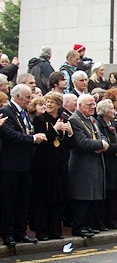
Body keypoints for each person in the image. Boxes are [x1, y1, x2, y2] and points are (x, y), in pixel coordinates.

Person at [0, 84, 42, 253]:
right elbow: (10, 135)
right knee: (8, 201)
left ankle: (20, 231)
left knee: (22, 200)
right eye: (27, 97)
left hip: (25, 164)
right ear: (17, 96)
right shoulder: (6, 111)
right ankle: (8, 233)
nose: (29, 100)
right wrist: (32, 139)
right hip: (10, 165)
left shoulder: (22, 113)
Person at [30, 91, 72, 241]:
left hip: (59, 165)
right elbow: (42, 140)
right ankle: (42, 232)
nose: (48, 104)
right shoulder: (39, 119)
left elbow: (68, 144)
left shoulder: (64, 119)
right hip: (44, 166)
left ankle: (55, 230)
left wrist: (69, 133)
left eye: (52, 102)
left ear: (59, 105)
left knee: (58, 199)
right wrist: (54, 129)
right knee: (43, 200)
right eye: (47, 101)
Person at [68, 95, 108, 238]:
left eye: (93, 104)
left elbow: (102, 136)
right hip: (82, 166)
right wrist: (100, 145)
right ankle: (79, 226)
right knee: (82, 198)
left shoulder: (91, 119)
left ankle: (86, 224)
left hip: (93, 164)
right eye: (89, 105)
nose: (92, 107)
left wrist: (101, 144)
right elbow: (82, 142)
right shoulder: (74, 120)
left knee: (91, 199)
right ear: (79, 106)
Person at [96, 98, 117, 230]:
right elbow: (104, 143)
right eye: (111, 109)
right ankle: (104, 221)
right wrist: (115, 147)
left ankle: (112, 220)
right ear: (105, 111)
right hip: (105, 162)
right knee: (107, 193)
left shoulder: (111, 123)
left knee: (114, 192)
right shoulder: (99, 124)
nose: (114, 111)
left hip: (114, 162)